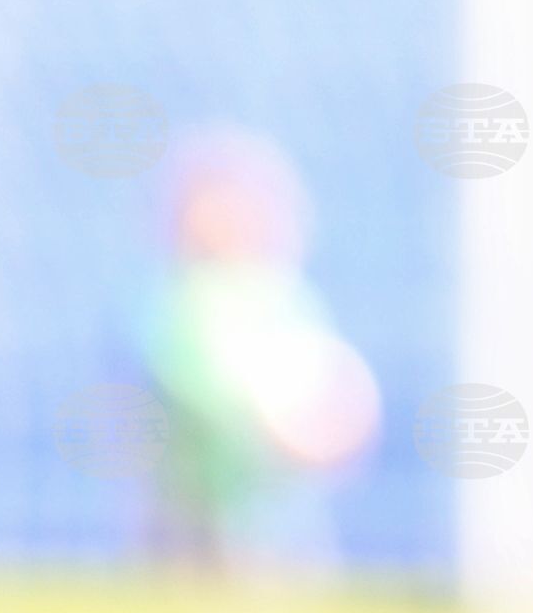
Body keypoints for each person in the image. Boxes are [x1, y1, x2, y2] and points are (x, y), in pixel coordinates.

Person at [134, 128, 383, 581]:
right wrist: (265, 423)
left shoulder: (286, 295)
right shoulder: (182, 298)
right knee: (194, 586)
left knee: (283, 580)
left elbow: (325, 378)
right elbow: (191, 380)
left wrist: (330, 431)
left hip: (277, 496)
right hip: (198, 496)